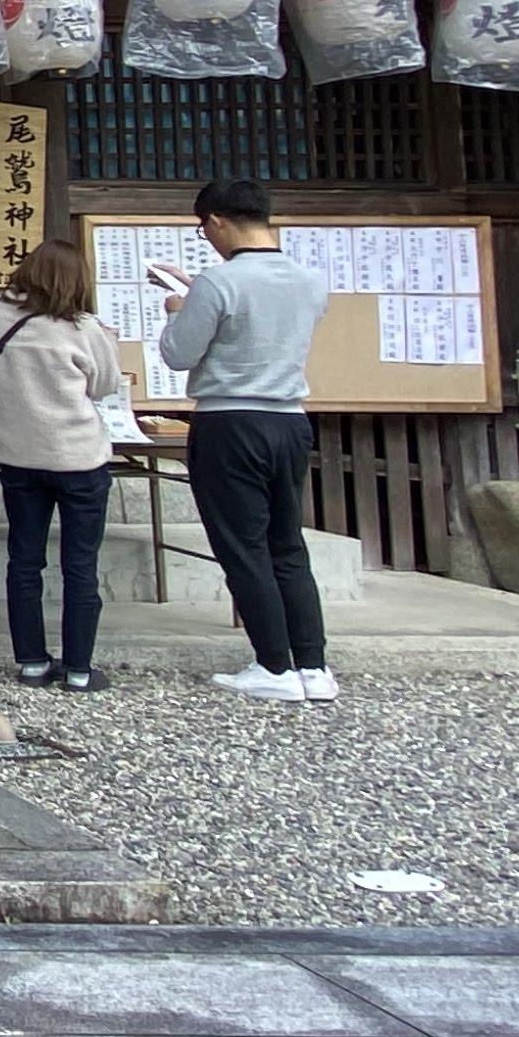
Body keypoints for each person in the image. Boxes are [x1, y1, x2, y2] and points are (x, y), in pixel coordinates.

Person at [148, 177, 333, 703]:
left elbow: (181, 354)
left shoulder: (218, 282)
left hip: (230, 421)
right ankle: (313, 666)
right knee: (287, 544)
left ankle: (273, 665)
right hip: (290, 419)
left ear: (216, 222)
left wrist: (178, 310)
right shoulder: (309, 279)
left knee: (242, 546)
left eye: (204, 228)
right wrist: (199, 292)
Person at [0, 240, 124, 693]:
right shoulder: (87, 330)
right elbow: (105, 386)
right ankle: (80, 669)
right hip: (80, 459)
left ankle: (31, 661)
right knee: (80, 565)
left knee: (25, 560)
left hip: (18, 457)